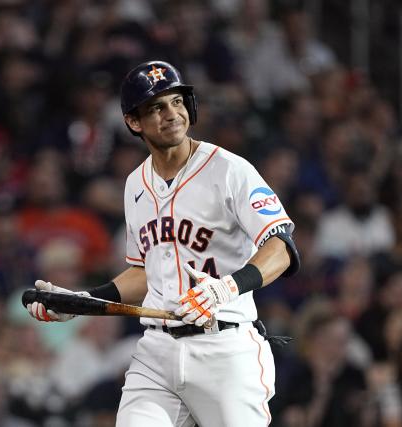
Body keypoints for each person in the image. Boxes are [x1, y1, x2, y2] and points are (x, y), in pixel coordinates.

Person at [25, 60, 300, 426]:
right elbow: (145, 273)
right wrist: (83, 302)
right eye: (156, 107)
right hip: (157, 350)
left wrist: (227, 287)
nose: (171, 114)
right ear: (133, 122)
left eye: (176, 102)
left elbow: (280, 247)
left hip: (225, 347)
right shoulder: (135, 184)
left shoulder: (230, 170)